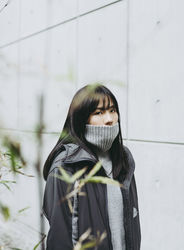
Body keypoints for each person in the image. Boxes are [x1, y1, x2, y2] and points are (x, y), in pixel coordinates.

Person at [42, 84, 141, 250]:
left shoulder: (123, 159)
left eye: (112, 110)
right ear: (81, 118)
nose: (109, 119)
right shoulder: (65, 167)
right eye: (99, 113)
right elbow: (60, 240)